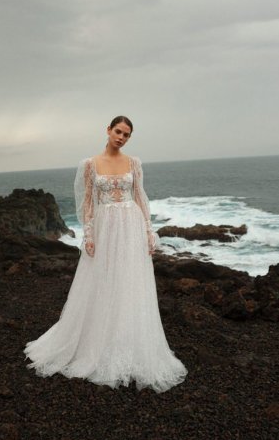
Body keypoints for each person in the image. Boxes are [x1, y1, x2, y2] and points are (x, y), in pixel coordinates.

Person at [23, 116, 187, 393]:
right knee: (103, 282)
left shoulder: (134, 162)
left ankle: (128, 343)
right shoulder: (89, 164)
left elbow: (140, 197)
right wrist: (88, 235)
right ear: (108, 130)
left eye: (127, 134)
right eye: (118, 131)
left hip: (131, 226)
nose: (122, 137)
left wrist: (149, 231)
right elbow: (88, 201)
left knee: (130, 282)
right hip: (105, 227)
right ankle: (97, 343)